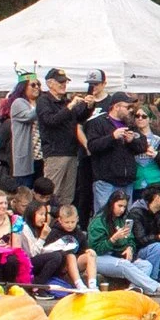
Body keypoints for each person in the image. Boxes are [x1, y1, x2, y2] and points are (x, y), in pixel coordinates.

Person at [34, 69, 101, 214]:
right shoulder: (43, 100)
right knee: (51, 192)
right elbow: (50, 120)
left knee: (67, 195)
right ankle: (46, 221)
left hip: (71, 152)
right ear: (49, 83)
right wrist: (70, 106)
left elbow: (79, 118)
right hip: (55, 153)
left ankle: (63, 223)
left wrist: (89, 106)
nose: (63, 85)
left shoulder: (65, 101)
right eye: (60, 82)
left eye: (65, 82)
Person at [90, 193, 160, 296]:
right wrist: (113, 239)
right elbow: (95, 249)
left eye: (124, 206)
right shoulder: (99, 221)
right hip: (99, 258)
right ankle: (157, 287)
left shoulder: (123, 220)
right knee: (124, 264)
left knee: (146, 265)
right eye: (119, 206)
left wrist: (130, 248)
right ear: (112, 204)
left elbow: (131, 239)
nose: (122, 210)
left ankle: (134, 288)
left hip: (119, 256)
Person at [85, 95, 143, 216]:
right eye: (127, 107)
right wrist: (112, 137)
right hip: (106, 181)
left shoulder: (130, 124)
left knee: (125, 216)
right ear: (116, 107)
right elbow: (92, 146)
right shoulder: (98, 122)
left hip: (127, 181)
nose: (130, 110)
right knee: (104, 216)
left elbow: (142, 147)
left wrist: (132, 140)